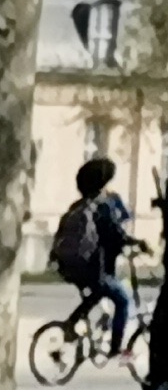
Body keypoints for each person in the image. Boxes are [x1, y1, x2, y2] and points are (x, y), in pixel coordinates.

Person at [55, 151, 138, 354]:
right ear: (102, 183)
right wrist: (139, 244)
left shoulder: (78, 206)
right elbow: (115, 234)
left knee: (98, 292)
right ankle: (115, 348)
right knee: (122, 299)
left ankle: (72, 323)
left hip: (71, 266)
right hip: (94, 268)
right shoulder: (103, 206)